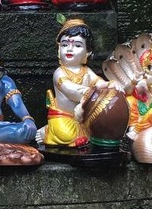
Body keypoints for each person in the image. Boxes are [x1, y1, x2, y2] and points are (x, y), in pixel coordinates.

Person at [41, 19, 106, 148]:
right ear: (59, 49)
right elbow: (71, 91)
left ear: (88, 52)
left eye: (77, 45)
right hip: (63, 117)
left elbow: (100, 83)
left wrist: (110, 85)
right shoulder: (60, 72)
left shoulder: (86, 71)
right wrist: (91, 92)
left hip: (83, 118)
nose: (69, 49)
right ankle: (48, 131)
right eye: (65, 45)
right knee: (67, 135)